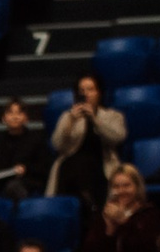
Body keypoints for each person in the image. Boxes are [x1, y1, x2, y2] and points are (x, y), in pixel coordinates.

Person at [77, 161, 160, 252]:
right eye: (116, 186)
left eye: (126, 186)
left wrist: (124, 222)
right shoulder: (104, 215)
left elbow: (148, 249)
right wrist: (109, 229)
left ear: (137, 187)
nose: (121, 191)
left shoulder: (149, 214)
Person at [47, 74, 125, 209]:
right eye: (82, 90)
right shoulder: (68, 116)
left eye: (90, 89)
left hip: (102, 164)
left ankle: (88, 206)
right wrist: (70, 121)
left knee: (84, 166)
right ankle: (84, 205)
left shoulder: (112, 115)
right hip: (70, 167)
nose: (86, 94)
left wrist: (94, 119)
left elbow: (117, 138)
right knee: (77, 165)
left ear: (99, 93)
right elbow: (57, 145)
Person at [0, 97, 49, 201]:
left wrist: (26, 169)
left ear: (26, 118)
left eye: (19, 113)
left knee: (14, 187)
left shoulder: (37, 140)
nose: (15, 117)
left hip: (27, 181)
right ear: (3, 118)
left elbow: (44, 167)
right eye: (10, 113)